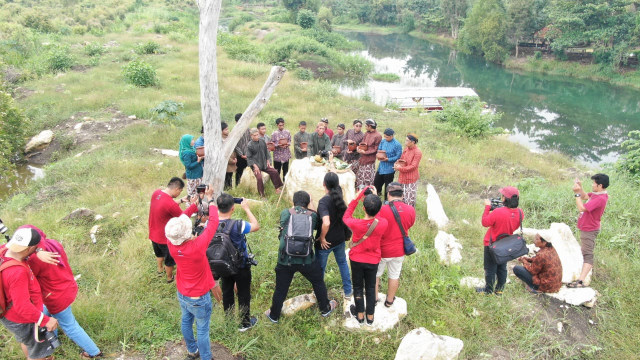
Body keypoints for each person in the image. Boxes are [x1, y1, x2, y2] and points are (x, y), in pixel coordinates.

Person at [20, 225, 102, 359]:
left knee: (70, 325)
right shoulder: (52, 243)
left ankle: (94, 352)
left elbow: (29, 276)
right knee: (46, 313)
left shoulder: (35, 259)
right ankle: (52, 341)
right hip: (65, 286)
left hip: (54, 296)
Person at [264, 191, 338, 323]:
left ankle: (274, 315)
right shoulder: (313, 215)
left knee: (281, 288)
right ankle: (325, 309)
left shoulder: (285, 213)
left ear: (293, 202)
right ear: (308, 203)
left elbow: (282, 226)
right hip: (306, 259)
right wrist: (312, 205)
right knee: (318, 281)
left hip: (285, 259)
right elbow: (317, 224)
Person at [165, 185, 219, 360]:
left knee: (186, 321)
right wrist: (210, 200)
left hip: (183, 292)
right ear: (187, 233)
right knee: (202, 329)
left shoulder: (171, 244)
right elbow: (213, 223)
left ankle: (191, 350)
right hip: (199, 296)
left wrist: (194, 206)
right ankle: (206, 357)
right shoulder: (196, 246)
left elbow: (180, 221)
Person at [0, 228, 59, 360]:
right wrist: (46, 320)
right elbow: (23, 307)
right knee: (36, 347)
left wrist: (38, 251)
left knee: (26, 341)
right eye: (36, 247)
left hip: (8, 313)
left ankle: (33, 355)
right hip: (22, 318)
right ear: (28, 249)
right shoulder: (17, 272)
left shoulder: (4, 250)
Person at [343, 186, 388, 325]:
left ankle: (360, 315)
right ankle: (370, 317)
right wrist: (375, 198)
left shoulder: (356, 224)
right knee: (370, 287)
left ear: (363, 208)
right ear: (379, 209)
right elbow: (378, 216)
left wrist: (357, 197)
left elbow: (346, 216)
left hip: (356, 258)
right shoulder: (383, 223)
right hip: (373, 260)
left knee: (357, 287)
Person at [216, 194, 261, 331]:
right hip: (241, 266)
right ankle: (244, 323)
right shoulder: (238, 224)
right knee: (243, 293)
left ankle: (229, 322)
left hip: (222, 264)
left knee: (227, 292)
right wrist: (247, 208)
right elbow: (256, 226)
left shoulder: (210, 224)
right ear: (233, 208)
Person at [148, 177, 198, 283]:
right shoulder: (170, 204)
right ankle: (170, 278)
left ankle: (159, 269)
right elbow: (183, 217)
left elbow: (165, 205)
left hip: (153, 233)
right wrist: (194, 206)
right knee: (169, 260)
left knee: (159, 253)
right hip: (164, 238)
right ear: (177, 189)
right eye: (180, 191)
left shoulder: (156, 193)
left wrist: (180, 201)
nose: (179, 194)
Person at [374, 183, 415, 307]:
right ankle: (389, 301)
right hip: (399, 250)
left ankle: (374, 299)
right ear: (402, 195)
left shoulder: (381, 210)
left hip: (382, 250)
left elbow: (375, 227)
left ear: (388, 194)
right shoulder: (410, 210)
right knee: (394, 276)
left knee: (375, 275)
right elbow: (409, 224)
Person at [478, 186, 524, 295]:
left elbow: (485, 222)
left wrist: (487, 207)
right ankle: (499, 290)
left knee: (490, 269)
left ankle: (488, 290)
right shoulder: (521, 212)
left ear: (504, 199)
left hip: (492, 244)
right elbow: (509, 217)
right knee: (502, 267)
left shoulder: (498, 212)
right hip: (506, 244)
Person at [568, 173, 610, 288]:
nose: (592, 185)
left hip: (590, 229)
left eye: (594, 183)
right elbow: (585, 196)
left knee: (587, 254)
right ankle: (582, 273)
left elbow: (582, 207)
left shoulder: (600, 199)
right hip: (588, 227)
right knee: (584, 251)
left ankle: (580, 281)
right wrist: (580, 188)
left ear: (600, 185)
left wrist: (576, 193)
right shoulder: (598, 194)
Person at [315, 173, 352, 299]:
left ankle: (319, 294)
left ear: (324, 184)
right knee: (342, 264)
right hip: (340, 239)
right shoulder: (339, 197)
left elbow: (326, 222)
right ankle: (348, 291)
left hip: (326, 242)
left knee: (320, 269)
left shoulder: (324, 201)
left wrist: (322, 237)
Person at [247, 128, 284, 198]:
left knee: (275, 172)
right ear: (251, 136)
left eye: (257, 135)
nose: (256, 136)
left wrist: (268, 160)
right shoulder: (250, 145)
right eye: (254, 135)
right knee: (259, 178)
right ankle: (262, 195)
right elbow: (249, 158)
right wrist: (255, 166)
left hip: (264, 163)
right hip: (255, 165)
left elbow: (266, 152)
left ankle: (277, 189)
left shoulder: (262, 141)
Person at [394, 134, 422, 207]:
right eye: (405, 140)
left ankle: (410, 214)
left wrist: (400, 168)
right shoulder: (406, 149)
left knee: (409, 199)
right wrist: (397, 163)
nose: (405, 142)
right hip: (402, 176)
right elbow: (402, 159)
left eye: (407, 140)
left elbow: (413, 166)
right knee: (401, 196)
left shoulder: (417, 152)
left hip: (411, 178)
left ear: (413, 142)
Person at [374, 128, 402, 200]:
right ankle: (377, 197)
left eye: (387, 137)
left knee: (388, 186)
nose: (385, 138)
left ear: (392, 136)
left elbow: (398, 156)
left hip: (390, 169)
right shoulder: (383, 141)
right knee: (377, 183)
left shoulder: (397, 144)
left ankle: (387, 201)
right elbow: (379, 149)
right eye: (385, 136)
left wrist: (388, 159)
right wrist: (378, 155)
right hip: (381, 167)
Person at [356, 119, 382, 189]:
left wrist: (366, 152)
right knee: (361, 176)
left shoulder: (378, 136)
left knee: (367, 177)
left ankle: (367, 193)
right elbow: (362, 142)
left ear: (370, 126)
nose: (365, 127)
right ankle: (360, 193)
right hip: (362, 158)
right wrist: (359, 148)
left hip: (370, 160)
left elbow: (376, 149)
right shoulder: (367, 133)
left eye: (366, 126)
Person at [234, 113, 251, 187]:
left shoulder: (248, 129)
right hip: (239, 156)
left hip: (248, 155)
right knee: (239, 171)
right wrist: (241, 154)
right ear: (236, 122)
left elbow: (250, 141)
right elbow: (235, 145)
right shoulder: (235, 131)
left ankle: (247, 186)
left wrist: (248, 154)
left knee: (248, 171)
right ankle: (238, 186)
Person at [221, 122, 237, 190]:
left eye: (228, 129)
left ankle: (229, 191)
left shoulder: (229, 138)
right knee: (225, 178)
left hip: (232, 160)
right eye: (226, 129)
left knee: (230, 177)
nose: (228, 131)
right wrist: (231, 160)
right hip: (226, 162)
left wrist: (235, 158)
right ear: (221, 131)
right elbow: (223, 154)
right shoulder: (220, 140)